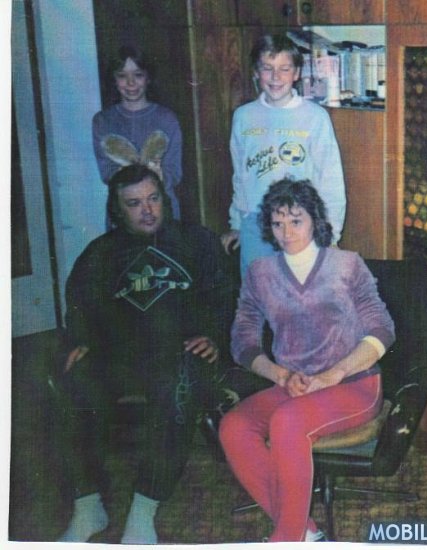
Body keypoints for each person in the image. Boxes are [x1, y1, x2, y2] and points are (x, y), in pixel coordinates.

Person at [57, 164, 235, 544]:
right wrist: (79, 339)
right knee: (72, 381)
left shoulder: (197, 241)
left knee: (179, 385)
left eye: (153, 199)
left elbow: (225, 295)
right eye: (134, 203)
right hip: (121, 355)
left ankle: (143, 509)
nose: (148, 210)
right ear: (118, 210)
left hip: (181, 354)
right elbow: (78, 305)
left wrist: (214, 336)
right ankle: (87, 507)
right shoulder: (101, 253)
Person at [219, 178, 395, 542]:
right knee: (233, 427)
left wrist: (335, 373)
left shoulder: (347, 265)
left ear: (314, 219)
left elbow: (382, 328)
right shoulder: (260, 273)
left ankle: (287, 539)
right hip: (295, 385)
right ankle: (307, 533)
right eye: (277, 223)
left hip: (354, 383)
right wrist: (279, 374)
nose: (286, 233)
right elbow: (242, 339)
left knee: (287, 422)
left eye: (295, 221)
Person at [221, 34, 346, 274]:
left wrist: (331, 234)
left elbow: (330, 179)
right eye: (267, 68)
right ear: (256, 72)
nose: (275, 77)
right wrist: (237, 223)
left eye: (284, 69)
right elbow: (241, 176)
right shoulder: (243, 117)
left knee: (299, 290)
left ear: (296, 73)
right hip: (255, 224)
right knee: (259, 289)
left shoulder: (315, 117)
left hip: (300, 223)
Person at [93, 45, 183, 220]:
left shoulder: (167, 118)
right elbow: (106, 172)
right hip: (125, 211)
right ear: (113, 79)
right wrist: (125, 176)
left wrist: (160, 175)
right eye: (122, 76)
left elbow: (175, 172)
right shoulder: (102, 121)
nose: (131, 83)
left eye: (138, 75)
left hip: (162, 211)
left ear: (148, 77)